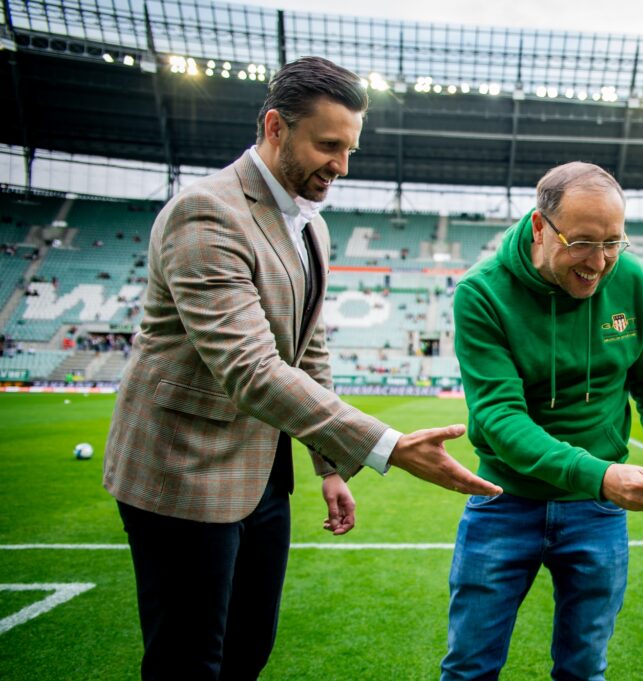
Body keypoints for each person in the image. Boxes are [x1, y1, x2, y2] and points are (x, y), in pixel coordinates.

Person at [103, 57, 500, 681]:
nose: (342, 165)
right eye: (329, 144)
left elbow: (306, 348)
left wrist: (330, 465)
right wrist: (386, 447)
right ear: (275, 128)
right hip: (184, 468)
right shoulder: (206, 213)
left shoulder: (309, 224)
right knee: (188, 661)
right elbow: (251, 368)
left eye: (350, 148)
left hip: (263, 471)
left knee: (248, 648)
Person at [442, 161, 643, 680]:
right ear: (539, 226)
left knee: (584, 668)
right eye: (582, 242)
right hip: (504, 501)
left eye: (612, 243)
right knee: (470, 667)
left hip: (596, 510)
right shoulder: (481, 293)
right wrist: (599, 474)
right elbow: (499, 418)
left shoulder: (631, 278)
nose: (599, 263)